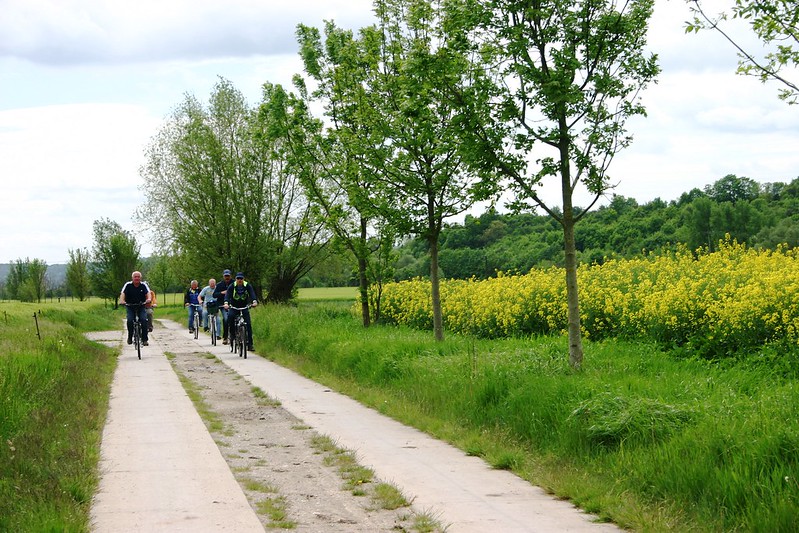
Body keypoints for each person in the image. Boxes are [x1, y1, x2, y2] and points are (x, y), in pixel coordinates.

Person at [224, 272, 258, 351]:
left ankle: (250, 344)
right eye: (238, 279)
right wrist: (226, 303)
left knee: (248, 324)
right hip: (234, 307)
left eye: (241, 279)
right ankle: (232, 336)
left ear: (243, 279)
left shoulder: (247, 285)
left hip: (244, 307)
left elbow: (252, 293)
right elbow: (228, 295)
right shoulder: (232, 286)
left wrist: (254, 301)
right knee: (230, 318)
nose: (239, 280)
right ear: (236, 279)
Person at [119, 271, 151, 346]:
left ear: (140, 278)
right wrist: (122, 301)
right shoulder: (128, 285)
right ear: (132, 278)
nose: (137, 278)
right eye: (135, 277)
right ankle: (130, 337)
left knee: (144, 320)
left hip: (141, 306)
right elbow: (123, 293)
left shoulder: (143, 285)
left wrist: (148, 299)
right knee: (130, 320)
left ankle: (144, 339)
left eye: (138, 277)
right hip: (130, 306)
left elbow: (148, 293)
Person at [214, 269, 234, 344]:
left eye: (228, 276)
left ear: (230, 276)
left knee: (235, 319)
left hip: (233, 304)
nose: (227, 277)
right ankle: (225, 337)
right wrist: (222, 293)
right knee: (226, 319)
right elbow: (214, 295)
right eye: (225, 276)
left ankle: (235, 335)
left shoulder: (234, 283)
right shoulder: (219, 285)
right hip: (222, 305)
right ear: (223, 276)